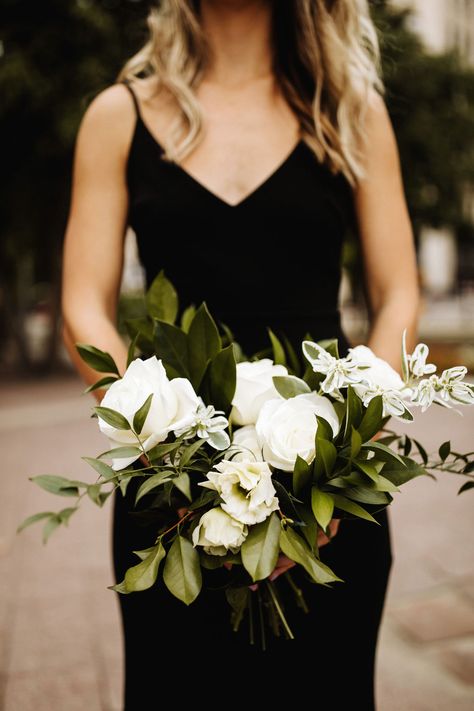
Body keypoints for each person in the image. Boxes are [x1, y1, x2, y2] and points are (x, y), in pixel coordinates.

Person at [60, 1, 421, 708]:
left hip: (331, 494)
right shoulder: (117, 114)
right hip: (166, 497)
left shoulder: (349, 108)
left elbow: (400, 293)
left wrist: (341, 456)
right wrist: (168, 450)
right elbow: (83, 306)